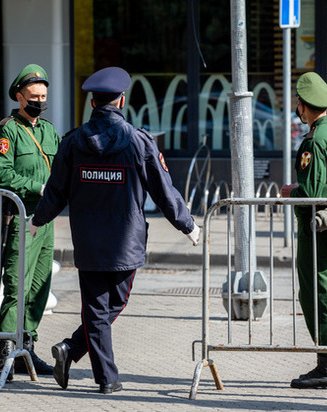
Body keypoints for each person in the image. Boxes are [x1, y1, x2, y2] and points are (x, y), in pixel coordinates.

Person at [28, 67, 200, 394]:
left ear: (92, 101)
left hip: (89, 243)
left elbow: (55, 190)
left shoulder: (74, 141)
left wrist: (39, 219)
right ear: (122, 100)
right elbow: (164, 190)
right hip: (126, 243)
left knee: (98, 309)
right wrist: (187, 225)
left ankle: (72, 350)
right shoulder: (139, 141)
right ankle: (106, 379)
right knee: (110, 307)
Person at [280, 72, 327, 390]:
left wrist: (289, 191)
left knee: (316, 294)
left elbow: (310, 192)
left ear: (303, 105)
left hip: (315, 227)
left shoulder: (314, 141)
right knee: (324, 291)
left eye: (298, 102)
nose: (297, 106)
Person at [0, 64, 60, 381]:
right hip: (21, 216)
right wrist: (38, 187)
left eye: (43, 96)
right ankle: (7, 354)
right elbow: (2, 174)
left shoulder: (48, 130)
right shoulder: (8, 131)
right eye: (33, 96)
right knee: (17, 286)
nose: (39, 101)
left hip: (46, 220)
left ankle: (27, 351)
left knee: (38, 287)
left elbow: (61, 165)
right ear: (19, 96)